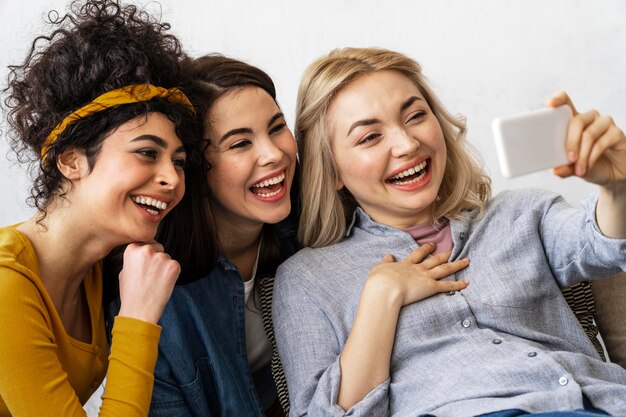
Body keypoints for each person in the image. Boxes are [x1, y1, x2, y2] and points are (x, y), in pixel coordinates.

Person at [272, 47, 626, 417]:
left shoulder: (520, 214)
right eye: (370, 137)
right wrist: (381, 298)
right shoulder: (307, 279)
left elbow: (602, 243)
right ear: (332, 172)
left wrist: (618, 186)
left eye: (415, 116)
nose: (408, 144)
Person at [0, 0, 198, 415]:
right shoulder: (6, 287)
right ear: (71, 161)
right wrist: (139, 318)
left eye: (178, 161)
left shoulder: (98, 269)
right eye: (147, 153)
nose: (173, 179)